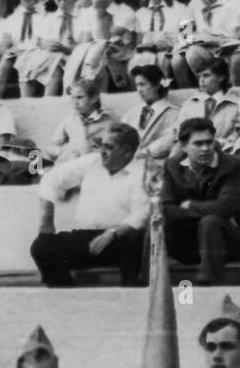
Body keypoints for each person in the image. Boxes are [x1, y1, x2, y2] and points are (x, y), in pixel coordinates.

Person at [30, 122, 151, 288]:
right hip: (87, 237)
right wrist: (46, 219)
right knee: (42, 246)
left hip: (120, 239)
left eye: (109, 147)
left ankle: (129, 301)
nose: (102, 151)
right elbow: (52, 178)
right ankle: (68, 300)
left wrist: (112, 233)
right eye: (101, 145)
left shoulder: (142, 171)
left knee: (137, 241)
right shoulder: (92, 161)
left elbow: (141, 214)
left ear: (127, 151)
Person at [157, 118, 240, 286]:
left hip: (227, 241)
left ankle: (209, 286)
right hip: (189, 241)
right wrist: (204, 211)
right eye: (198, 143)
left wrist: (190, 205)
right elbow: (166, 208)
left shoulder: (231, 164)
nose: (205, 148)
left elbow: (225, 208)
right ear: (183, 146)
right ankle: (145, 288)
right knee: (154, 226)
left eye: (209, 142)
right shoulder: (172, 165)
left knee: (211, 222)